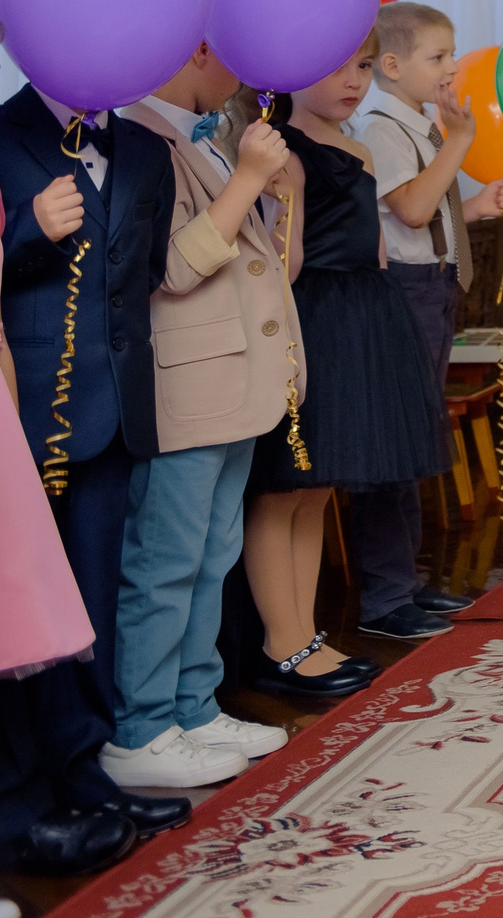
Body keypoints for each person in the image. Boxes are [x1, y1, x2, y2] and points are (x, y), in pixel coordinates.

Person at [0, 8, 197, 864]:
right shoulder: (2, 135)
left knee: (89, 599)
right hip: (23, 407)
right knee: (21, 611)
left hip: (112, 408)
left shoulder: (146, 150)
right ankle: (29, 784)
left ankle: (85, 766)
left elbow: (142, 274)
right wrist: (35, 225)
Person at [102, 44, 306, 788]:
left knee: (211, 557)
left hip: (236, 383)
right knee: (165, 563)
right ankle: (142, 725)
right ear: (194, 53)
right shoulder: (140, 139)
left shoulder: (213, 134)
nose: (247, 65)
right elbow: (173, 265)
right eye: (231, 49)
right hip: (188, 387)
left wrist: (267, 188)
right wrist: (247, 178)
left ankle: (194, 703)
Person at [241, 35, 442, 696]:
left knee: (317, 487)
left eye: (360, 66)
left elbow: (376, 248)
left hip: (359, 318)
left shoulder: (354, 147)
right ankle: (284, 641)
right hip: (311, 322)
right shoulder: (286, 153)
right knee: (284, 487)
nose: (353, 79)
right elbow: (285, 262)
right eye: (335, 64)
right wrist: (280, 197)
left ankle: (306, 635)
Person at [346, 2, 503, 640]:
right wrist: (462, 141)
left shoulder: (414, 124)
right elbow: (413, 210)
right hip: (405, 291)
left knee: (416, 439)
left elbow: (427, 212)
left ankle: (406, 584)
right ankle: (386, 595)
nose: (450, 70)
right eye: (437, 58)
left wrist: (470, 209)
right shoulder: (381, 128)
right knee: (397, 439)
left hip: (431, 284)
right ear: (391, 66)